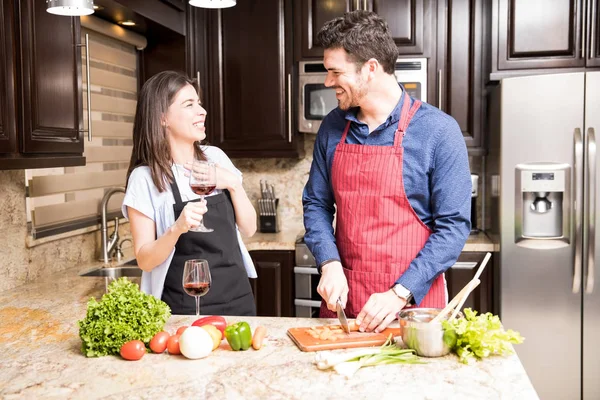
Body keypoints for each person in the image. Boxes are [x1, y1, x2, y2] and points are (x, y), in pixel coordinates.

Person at [302, 11, 471, 333]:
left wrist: (399, 292)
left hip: (414, 308)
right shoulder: (333, 127)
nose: (328, 82)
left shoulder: (438, 131)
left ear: (370, 69)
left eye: (335, 72)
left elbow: (453, 227)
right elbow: (316, 204)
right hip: (345, 299)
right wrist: (329, 263)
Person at [122, 70, 257, 316]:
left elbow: (249, 228)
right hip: (184, 308)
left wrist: (232, 183)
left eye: (199, 103)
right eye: (189, 104)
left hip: (238, 298)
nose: (202, 111)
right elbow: (145, 260)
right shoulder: (145, 178)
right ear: (162, 118)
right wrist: (177, 228)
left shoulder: (216, 157)